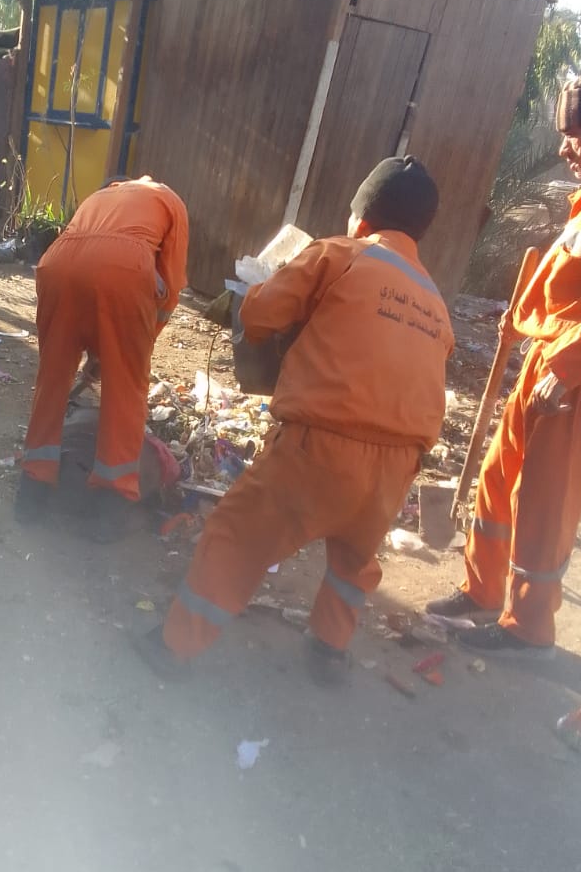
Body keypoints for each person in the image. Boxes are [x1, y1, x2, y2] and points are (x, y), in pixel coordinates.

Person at [136, 156, 453, 682]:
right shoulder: (435, 301)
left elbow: (259, 314)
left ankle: (175, 646)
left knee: (236, 536)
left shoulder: (341, 253)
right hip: (400, 464)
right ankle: (329, 651)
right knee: (354, 561)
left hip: (324, 444)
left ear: (362, 218)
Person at [426, 66, 581, 658]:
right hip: (544, 360)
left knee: (541, 501)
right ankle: (482, 590)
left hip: (575, 378)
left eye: (574, 133)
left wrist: (570, 365)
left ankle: (528, 626)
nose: (563, 148)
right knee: (498, 477)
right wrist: (521, 318)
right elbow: (566, 289)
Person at [16, 176, 189, 542]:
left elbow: (88, 274)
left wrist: (99, 351)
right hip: (123, 268)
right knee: (125, 390)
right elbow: (169, 288)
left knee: (52, 378)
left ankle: (32, 490)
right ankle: (110, 505)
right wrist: (131, 351)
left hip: (57, 264)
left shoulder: (101, 196)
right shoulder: (169, 200)